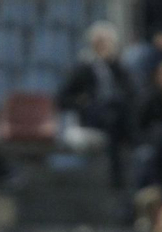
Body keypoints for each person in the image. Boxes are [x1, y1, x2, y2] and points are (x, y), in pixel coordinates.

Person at [58, 21, 137, 188]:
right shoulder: (84, 69)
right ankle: (119, 179)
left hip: (116, 116)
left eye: (107, 42)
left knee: (119, 113)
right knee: (114, 119)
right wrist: (82, 103)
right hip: (93, 115)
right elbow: (62, 99)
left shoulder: (120, 68)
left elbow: (133, 94)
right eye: (99, 42)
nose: (103, 46)